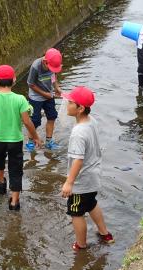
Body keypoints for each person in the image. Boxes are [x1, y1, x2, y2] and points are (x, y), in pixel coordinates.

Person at [61, 86, 114, 251]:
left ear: (80, 108)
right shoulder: (92, 120)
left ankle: (81, 245)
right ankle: (105, 234)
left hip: (81, 183)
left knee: (76, 213)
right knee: (91, 204)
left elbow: (78, 160)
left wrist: (70, 183)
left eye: (70, 103)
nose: (66, 105)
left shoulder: (78, 132)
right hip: (94, 176)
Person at [0, 65, 41, 210]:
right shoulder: (20, 99)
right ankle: (14, 202)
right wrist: (35, 137)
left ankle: (1, 185)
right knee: (15, 168)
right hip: (15, 141)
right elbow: (27, 121)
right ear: (14, 80)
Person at [25, 48, 63, 151]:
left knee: (52, 116)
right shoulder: (35, 66)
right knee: (35, 120)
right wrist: (44, 94)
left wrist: (56, 87)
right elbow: (31, 84)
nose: (52, 70)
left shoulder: (53, 67)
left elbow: (54, 77)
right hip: (36, 97)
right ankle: (30, 141)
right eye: (51, 67)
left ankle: (49, 141)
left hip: (49, 95)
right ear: (45, 61)